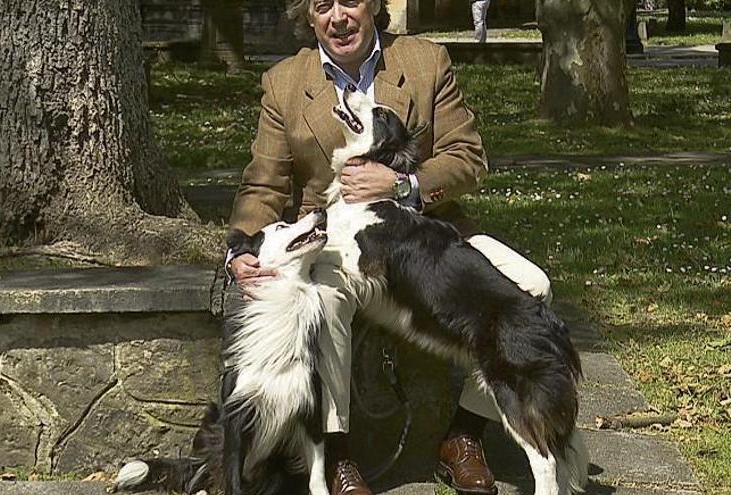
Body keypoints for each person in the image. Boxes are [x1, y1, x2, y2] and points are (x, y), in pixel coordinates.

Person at [226, 1, 552, 494]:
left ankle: (464, 435)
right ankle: (335, 455)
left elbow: (468, 158)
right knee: (323, 301)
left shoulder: (426, 60)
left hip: (430, 241)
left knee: (534, 286)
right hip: (339, 249)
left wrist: (402, 184)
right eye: (322, 6)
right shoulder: (284, 83)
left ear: (374, 5)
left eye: (350, 1)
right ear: (309, 18)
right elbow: (264, 187)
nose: (338, 16)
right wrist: (241, 249)